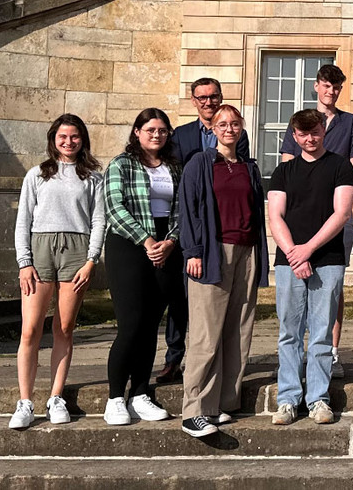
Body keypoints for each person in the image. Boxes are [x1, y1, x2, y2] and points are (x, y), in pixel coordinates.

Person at [177, 105, 269, 437]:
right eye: (222, 124)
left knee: (238, 330)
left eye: (234, 124)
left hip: (246, 252)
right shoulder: (200, 163)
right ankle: (194, 410)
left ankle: (221, 403)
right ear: (213, 129)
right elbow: (187, 210)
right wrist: (193, 251)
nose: (229, 129)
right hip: (213, 253)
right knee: (206, 332)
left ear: (241, 128)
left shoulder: (248, 167)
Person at [10, 114, 105, 429]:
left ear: (82, 139)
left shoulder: (93, 178)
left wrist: (91, 260)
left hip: (76, 250)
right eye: (63, 136)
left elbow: (99, 221)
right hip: (40, 248)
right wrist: (24, 262)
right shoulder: (37, 174)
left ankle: (55, 396)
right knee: (30, 329)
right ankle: (25, 401)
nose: (69, 142)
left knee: (64, 327)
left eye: (74, 136)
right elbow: (23, 220)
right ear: (53, 139)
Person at [268, 109, 353, 426]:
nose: (310, 138)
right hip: (289, 260)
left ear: (323, 131)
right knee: (289, 333)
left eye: (315, 132)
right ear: (294, 136)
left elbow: (341, 214)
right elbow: (275, 216)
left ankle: (318, 399)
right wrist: (294, 253)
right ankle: (288, 399)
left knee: (321, 333)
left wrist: (308, 249)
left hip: (327, 259)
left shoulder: (340, 167)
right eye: (303, 134)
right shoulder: (284, 171)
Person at [160, 77, 250, 385]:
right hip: (189, 224)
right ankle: (174, 357)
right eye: (202, 97)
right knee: (181, 297)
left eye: (213, 96)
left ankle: (215, 367)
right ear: (194, 101)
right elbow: (177, 180)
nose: (208, 102)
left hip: (221, 228)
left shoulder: (236, 133)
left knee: (215, 304)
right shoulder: (182, 135)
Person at [280, 64, 353, 380]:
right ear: (316, 86)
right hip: (300, 217)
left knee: (332, 287)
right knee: (296, 291)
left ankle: (331, 352)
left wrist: (324, 175)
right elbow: (288, 167)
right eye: (327, 85)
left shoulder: (350, 123)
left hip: (337, 214)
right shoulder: (301, 121)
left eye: (337, 86)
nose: (332, 91)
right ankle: (295, 357)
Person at [102, 108, 183, 426]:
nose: (157, 135)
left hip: (165, 247)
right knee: (131, 324)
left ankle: (139, 393)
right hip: (129, 246)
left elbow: (180, 210)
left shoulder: (174, 167)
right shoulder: (121, 164)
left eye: (162, 130)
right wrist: (147, 241)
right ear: (137, 132)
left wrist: (170, 241)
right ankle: (114, 398)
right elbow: (114, 208)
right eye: (150, 129)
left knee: (151, 325)